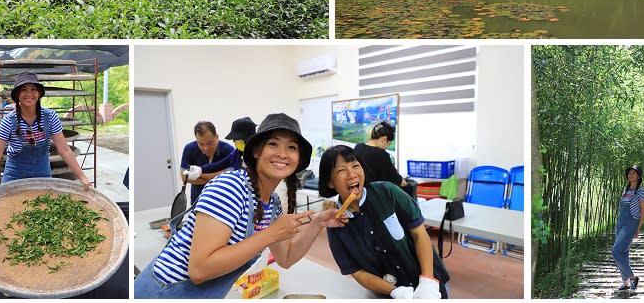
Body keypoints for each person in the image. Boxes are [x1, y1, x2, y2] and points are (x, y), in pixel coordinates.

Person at [134, 113, 347, 298]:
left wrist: (317, 223)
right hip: (164, 292)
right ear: (256, 152)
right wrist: (271, 234)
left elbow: (286, 258)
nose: (283, 153)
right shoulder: (231, 187)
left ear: (298, 159)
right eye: (273, 144)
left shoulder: (272, 205)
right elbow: (199, 270)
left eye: (291, 147)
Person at [319, 145, 450, 299]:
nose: (351, 174)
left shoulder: (388, 192)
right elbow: (356, 271)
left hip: (429, 284)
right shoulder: (335, 224)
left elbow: (419, 234)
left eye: (356, 166)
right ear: (330, 182)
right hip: (389, 294)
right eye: (341, 170)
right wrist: (394, 291)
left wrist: (428, 281)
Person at [0, 72, 91, 201]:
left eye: (33, 89)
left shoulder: (50, 117)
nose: (29, 94)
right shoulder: (8, 121)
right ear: (17, 95)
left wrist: (82, 177)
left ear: (39, 93)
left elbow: (65, 150)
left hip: (42, 173)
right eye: (24, 90)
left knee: (42, 210)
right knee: (12, 212)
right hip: (14, 175)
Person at [180, 121, 240, 204]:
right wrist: (218, 177)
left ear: (217, 137)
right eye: (201, 144)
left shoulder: (229, 151)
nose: (206, 148)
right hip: (198, 201)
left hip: (223, 201)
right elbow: (184, 177)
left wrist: (198, 175)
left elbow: (229, 177)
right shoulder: (189, 149)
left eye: (209, 143)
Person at [611, 165, 644, 292]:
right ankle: (626, 283)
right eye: (629, 173)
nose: (630, 175)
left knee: (616, 251)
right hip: (620, 222)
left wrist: (638, 227)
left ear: (639, 176)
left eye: (634, 173)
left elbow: (643, 211)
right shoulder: (625, 190)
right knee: (623, 252)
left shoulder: (641, 191)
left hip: (631, 222)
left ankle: (632, 277)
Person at [353, 121, 412, 195]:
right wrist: (408, 186)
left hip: (360, 192)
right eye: (388, 144)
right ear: (384, 139)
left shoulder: (358, 147)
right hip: (375, 196)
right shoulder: (381, 154)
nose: (386, 147)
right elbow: (395, 179)